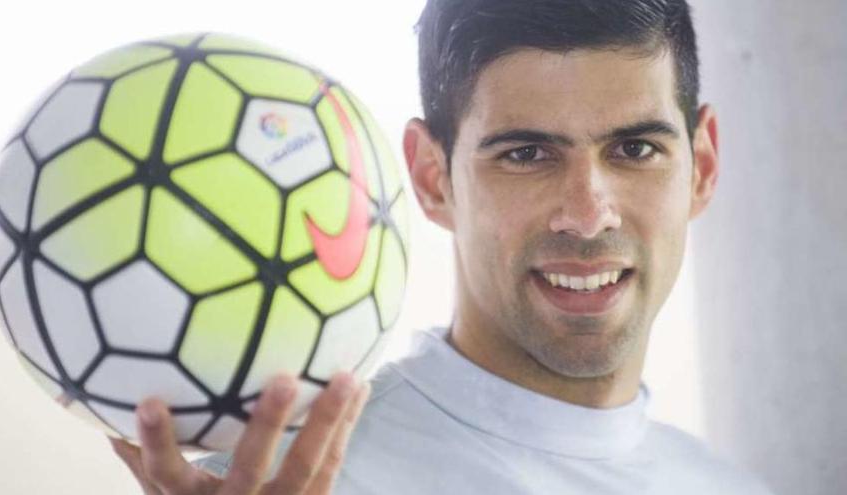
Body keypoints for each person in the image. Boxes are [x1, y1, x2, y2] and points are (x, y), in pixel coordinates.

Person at [110, 0, 775, 493]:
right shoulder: (287, 482)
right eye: (525, 153)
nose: (587, 214)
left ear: (704, 165)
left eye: (635, 149)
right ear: (432, 177)